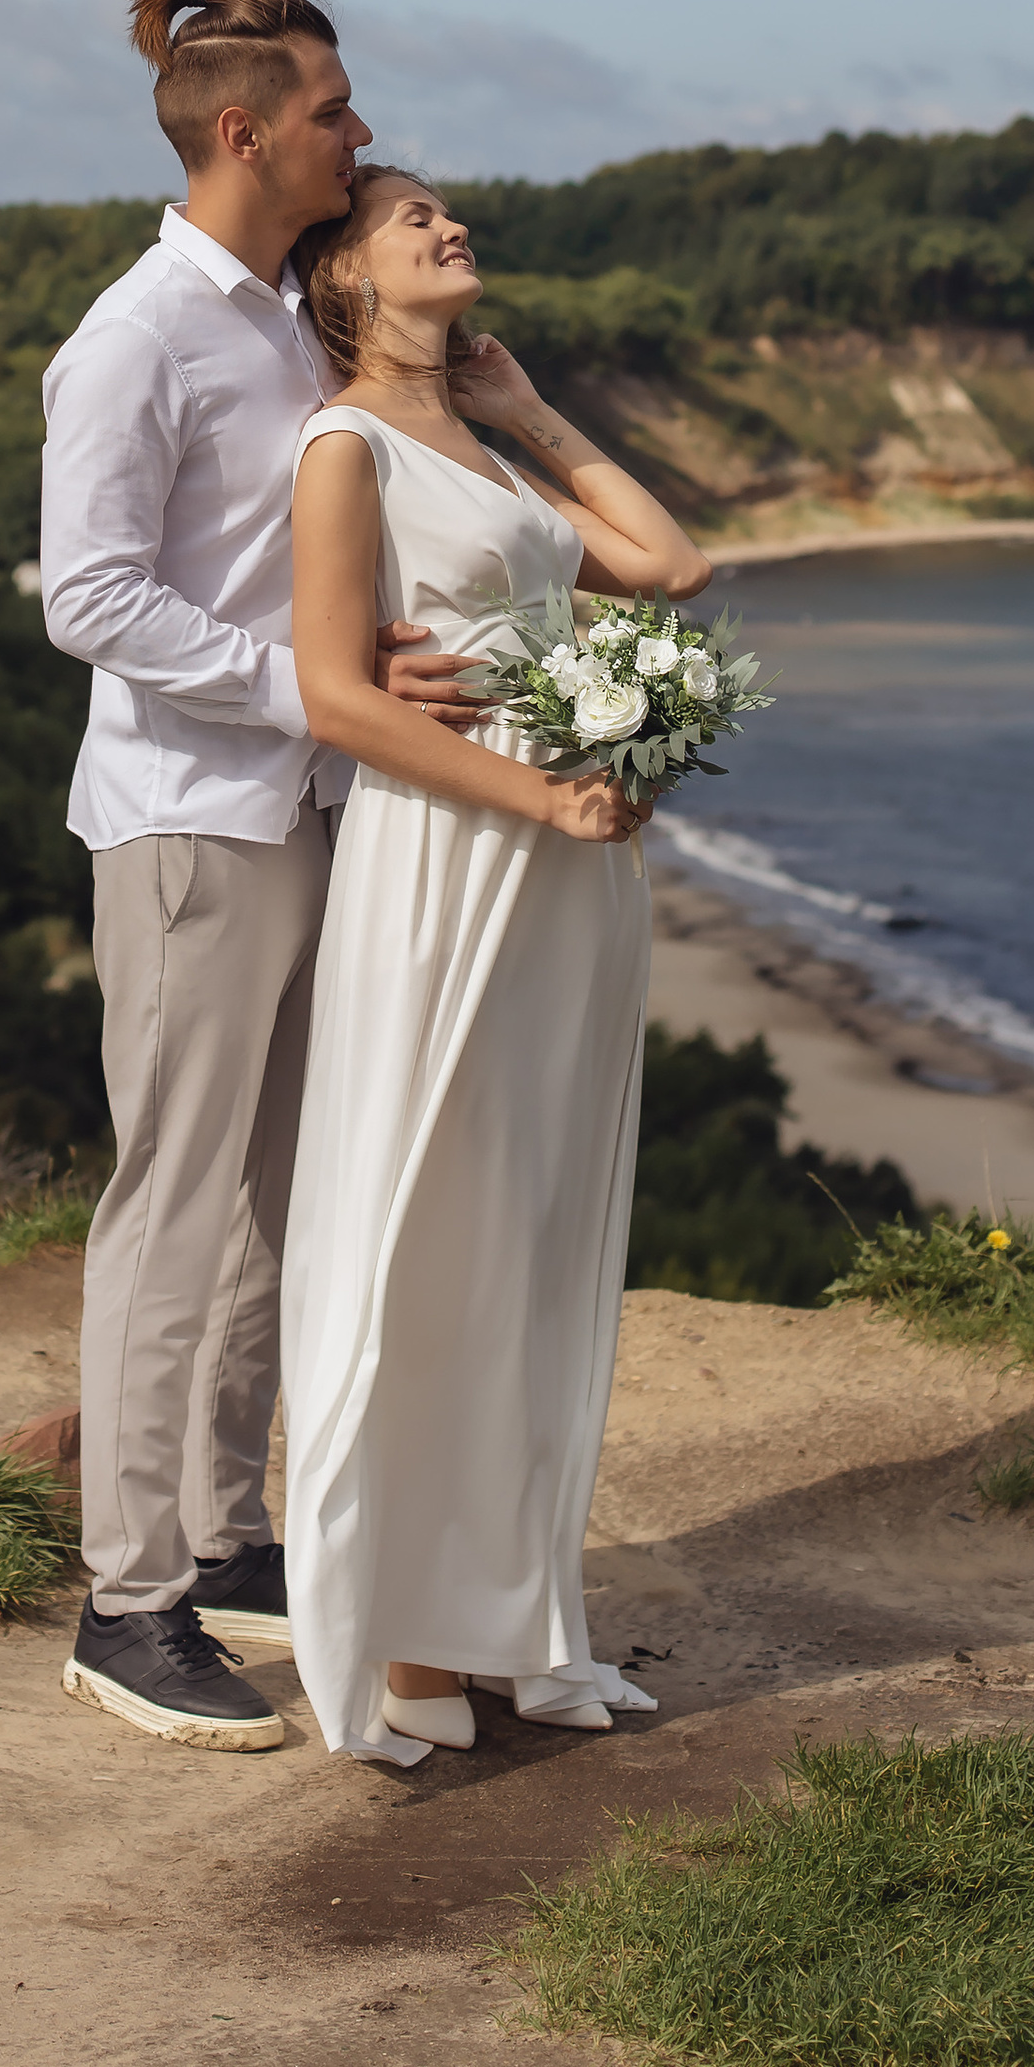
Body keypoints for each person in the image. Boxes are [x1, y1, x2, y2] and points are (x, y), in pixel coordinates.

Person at [41, 0, 473, 1752]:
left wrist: (368, 658)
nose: (358, 143)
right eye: (335, 117)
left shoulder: (294, 332)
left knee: (273, 1207)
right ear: (245, 133)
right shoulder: (137, 336)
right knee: (170, 1204)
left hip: (309, 812)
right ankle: (123, 1598)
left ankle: (223, 1544)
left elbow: (281, 569)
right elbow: (92, 598)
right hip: (189, 826)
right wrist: (312, 684)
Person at [279, 165, 714, 1764]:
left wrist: (534, 413)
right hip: (452, 864)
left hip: (569, 881)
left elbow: (670, 569)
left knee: (535, 1230)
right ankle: (401, 1635)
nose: (451, 229)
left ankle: (517, 1617)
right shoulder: (346, 448)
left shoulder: (480, 450)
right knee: (428, 1223)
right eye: (416, 222)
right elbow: (340, 697)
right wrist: (547, 794)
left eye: (451, 215)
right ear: (346, 281)